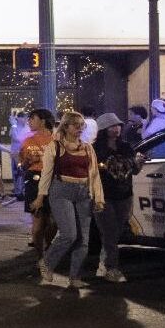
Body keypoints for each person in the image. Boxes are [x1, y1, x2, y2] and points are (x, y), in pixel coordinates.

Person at [32, 110, 105, 290]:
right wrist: (41, 196)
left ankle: (75, 277)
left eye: (82, 126)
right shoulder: (55, 146)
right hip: (61, 190)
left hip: (83, 192)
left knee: (84, 239)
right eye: (76, 125)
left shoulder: (88, 148)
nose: (79, 129)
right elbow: (46, 173)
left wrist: (99, 198)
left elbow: (94, 175)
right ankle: (47, 262)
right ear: (66, 126)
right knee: (69, 234)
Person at [88, 112, 139, 284]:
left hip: (124, 195)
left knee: (115, 233)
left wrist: (139, 163)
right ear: (103, 129)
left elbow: (135, 170)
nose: (116, 129)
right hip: (103, 196)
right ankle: (112, 268)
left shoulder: (126, 147)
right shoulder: (95, 150)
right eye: (112, 126)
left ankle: (104, 264)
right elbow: (89, 173)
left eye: (118, 125)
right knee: (109, 232)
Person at [18, 108, 57, 262]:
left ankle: (48, 248)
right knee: (39, 221)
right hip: (35, 180)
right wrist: (28, 161)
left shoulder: (57, 140)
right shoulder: (28, 140)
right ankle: (40, 257)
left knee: (54, 221)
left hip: (54, 180)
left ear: (43, 121)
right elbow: (22, 165)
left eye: (32, 118)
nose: (29, 122)